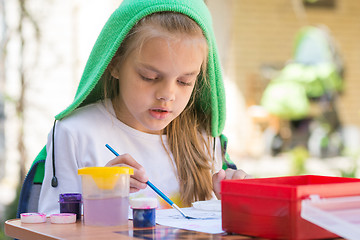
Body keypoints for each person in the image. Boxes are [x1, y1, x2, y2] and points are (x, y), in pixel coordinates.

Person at [38, 0, 250, 214]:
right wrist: (101, 195)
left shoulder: (203, 137)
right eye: (149, 77)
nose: (167, 95)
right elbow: (49, 227)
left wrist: (239, 204)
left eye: (185, 81)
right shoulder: (75, 133)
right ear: (115, 63)